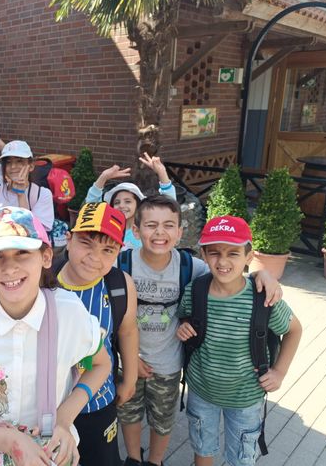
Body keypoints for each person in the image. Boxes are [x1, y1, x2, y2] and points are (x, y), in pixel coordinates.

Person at [0, 206, 111, 466]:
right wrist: (12, 442)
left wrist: (65, 416)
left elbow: (101, 363)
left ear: (46, 256)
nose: (10, 267)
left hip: (54, 454)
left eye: (22, 253)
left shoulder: (69, 314)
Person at [117, 197, 283, 466]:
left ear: (180, 232)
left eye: (169, 225)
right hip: (129, 360)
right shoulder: (122, 264)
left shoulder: (190, 266)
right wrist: (128, 357)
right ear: (136, 231)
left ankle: (156, 461)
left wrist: (260, 275)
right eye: (151, 225)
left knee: (163, 417)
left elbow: (229, 271)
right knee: (129, 413)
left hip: (168, 364)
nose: (160, 232)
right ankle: (134, 459)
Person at [176, 216, 302, 466]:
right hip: (201, 390)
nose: (222, 262)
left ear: (248, 256)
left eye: (233, 253)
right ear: (203, 254)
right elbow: (184, 318)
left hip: (246, 397)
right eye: (214, 253)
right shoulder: (196, 290)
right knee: (203, 446)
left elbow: (294, 330)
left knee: (242, 457)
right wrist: (183, 327)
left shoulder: (262, 298)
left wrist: (279, 372)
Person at [56, 201, 139, 466]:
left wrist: (130, 377)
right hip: (50, 404)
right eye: (86, 243)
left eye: (107, 250)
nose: (95, 257)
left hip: (99, 400)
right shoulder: (43, 280)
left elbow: (127, 331)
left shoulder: (119, 285)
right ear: (68, 239)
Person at [85, 153, 176, 251]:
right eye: (117, 202)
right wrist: (103, 177)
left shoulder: (146, 229)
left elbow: (169, 207)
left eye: (128, 201)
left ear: (138, 204)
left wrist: (162, 173)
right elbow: (91, 207)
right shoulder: (108, 227)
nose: (121, 206)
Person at [0, 140, 54, 232]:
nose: (13, 166)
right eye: (8, 162)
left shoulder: (42, 194)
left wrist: (21, 195)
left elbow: (33, 232)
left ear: (31, 166)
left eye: (19, 161)